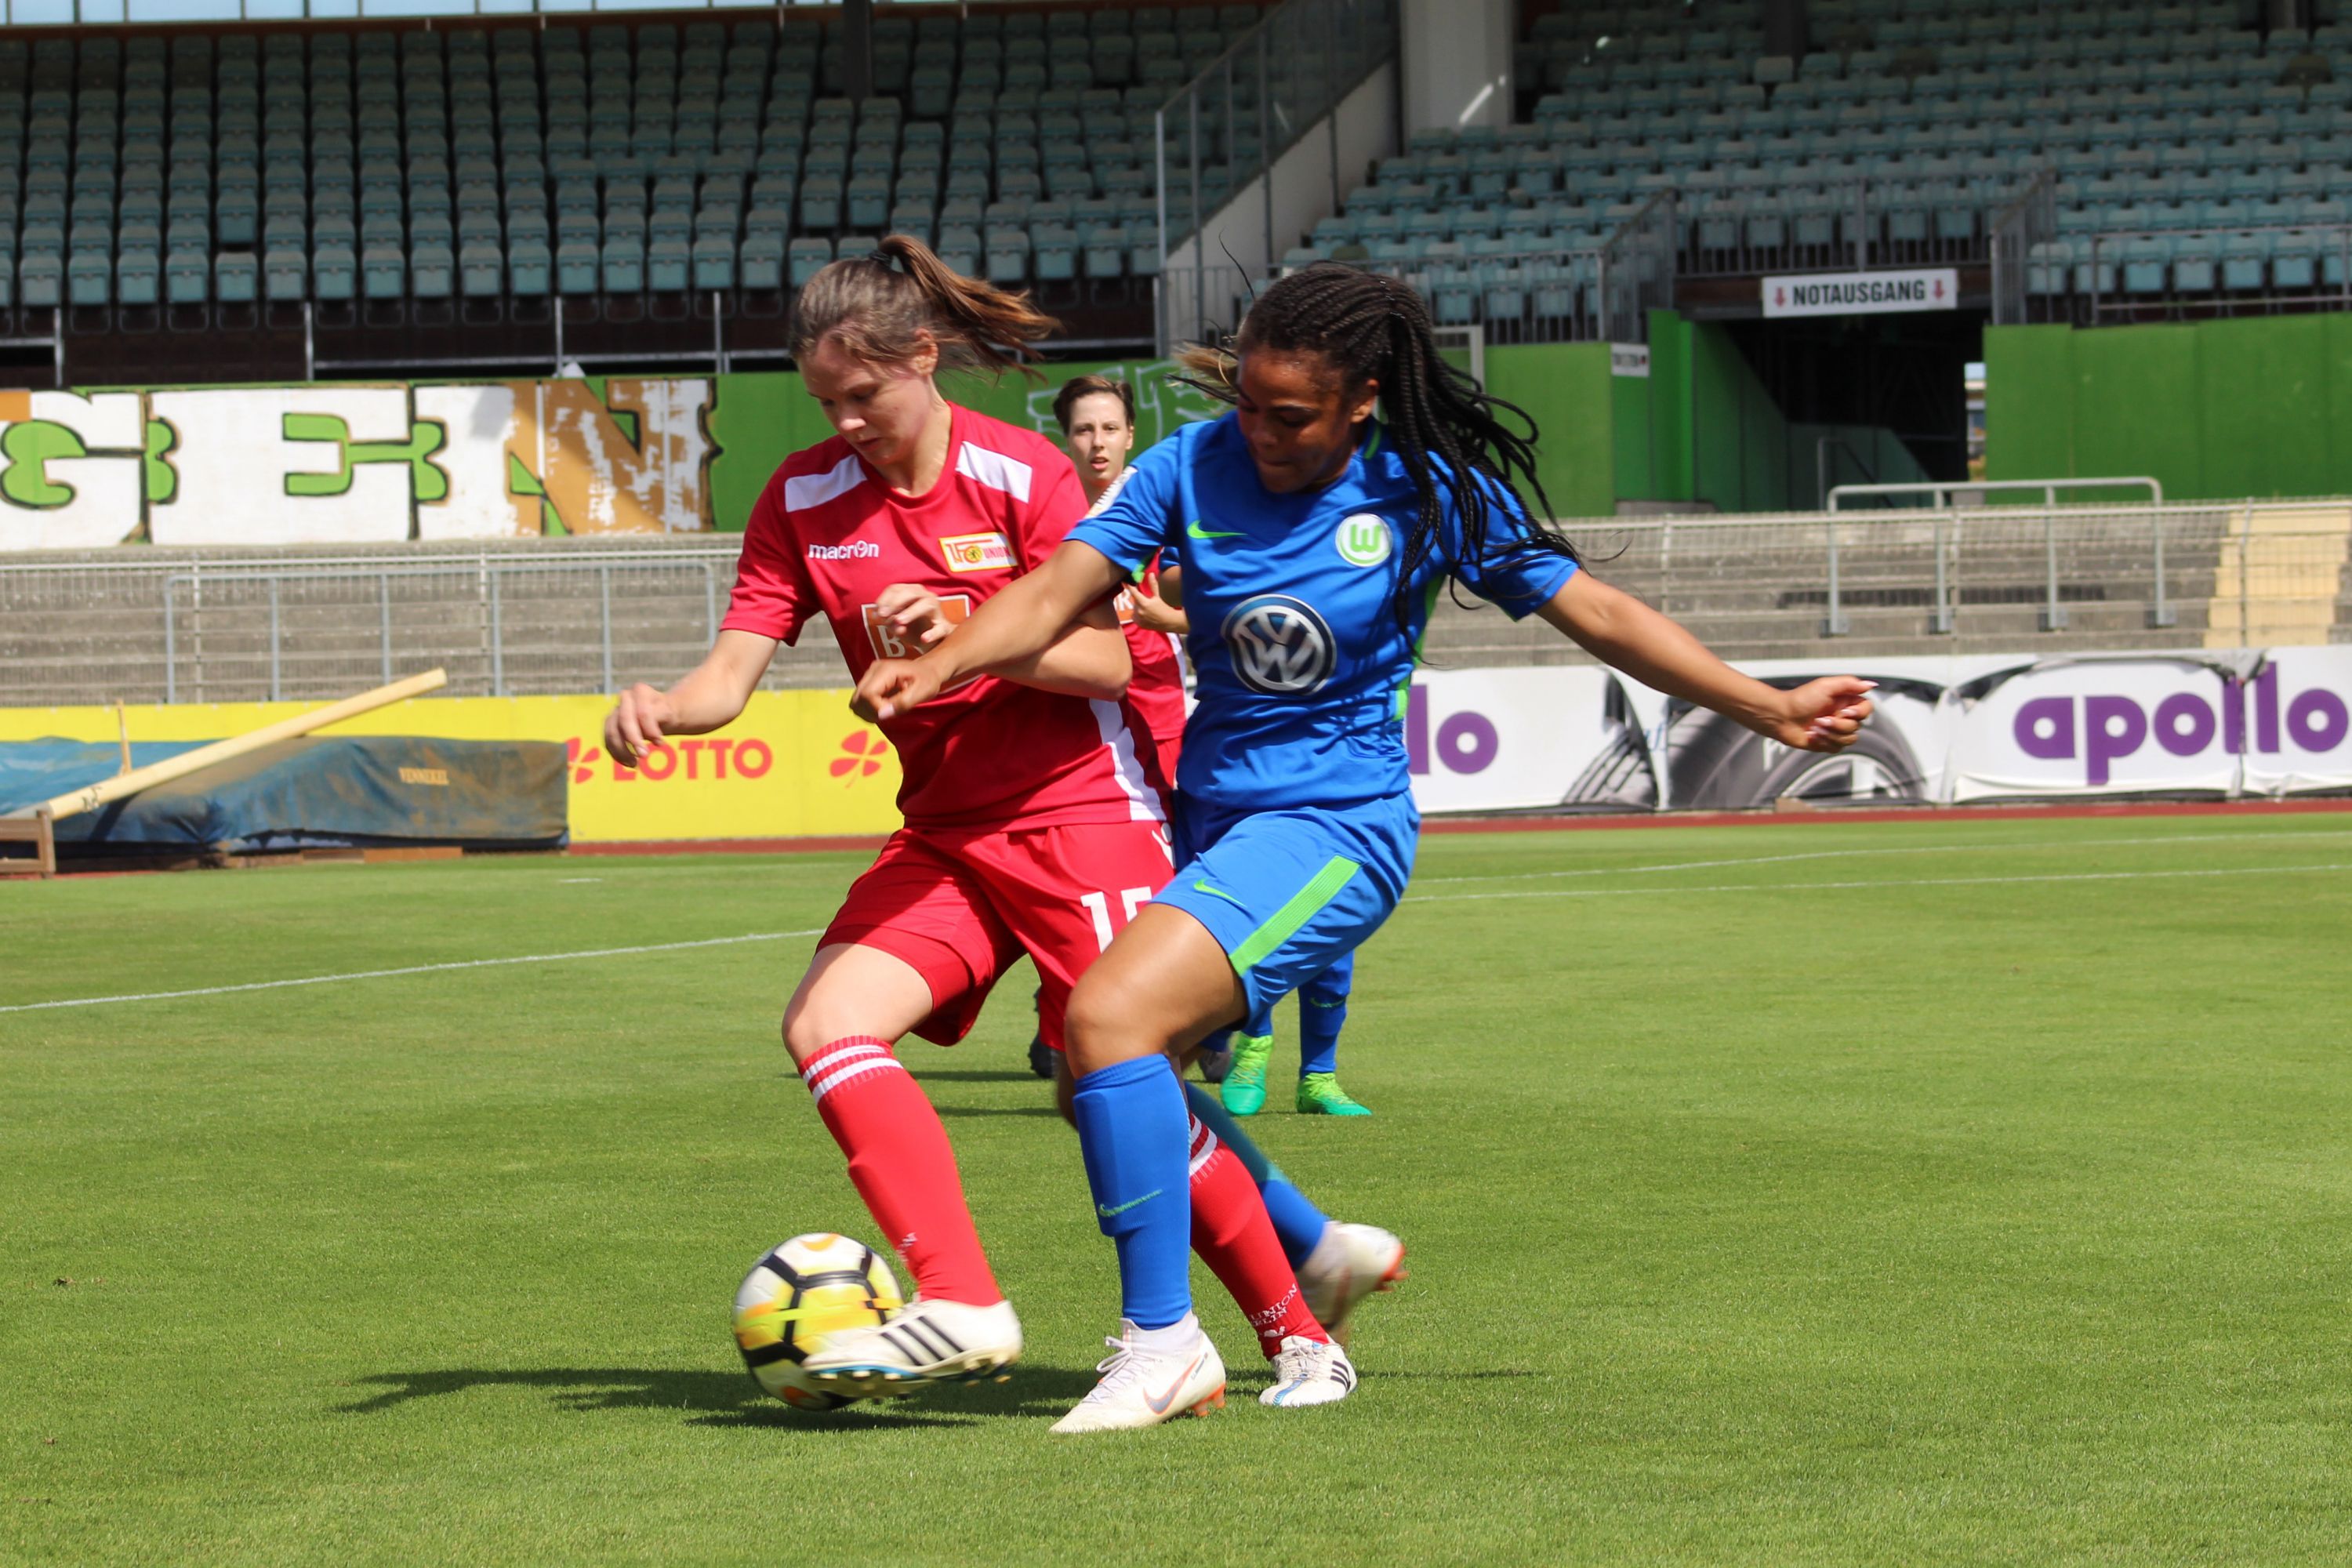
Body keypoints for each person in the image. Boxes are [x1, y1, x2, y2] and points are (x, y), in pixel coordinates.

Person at [853, 263, 1877, 1433]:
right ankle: (1316, 1260)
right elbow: (1054, 594)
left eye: (1291, 416)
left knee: (1107, 1024)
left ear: (1364, 401)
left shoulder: (1426, 491)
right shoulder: (1187, 469)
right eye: (1248, 403)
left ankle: (1161, 1343)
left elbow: (1597, 610)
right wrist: (945, 662)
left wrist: (1769, 705)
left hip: (1337, 830)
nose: (1261, 433)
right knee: (1100, 1078)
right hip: (1210, 821)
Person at [603, 237, 1360, 1417]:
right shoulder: (801, 500)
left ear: (922, 358)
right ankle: (960, 1300)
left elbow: (1124, 656)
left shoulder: (1023, 476)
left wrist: (965, 622)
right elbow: (727, 678)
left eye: (863, 394)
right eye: (823, 401)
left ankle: (1297, 1336)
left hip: (1079, 813)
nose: (845, 420)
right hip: (948, 832)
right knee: (827, 1022)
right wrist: (663, 710)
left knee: (1117, 1076)